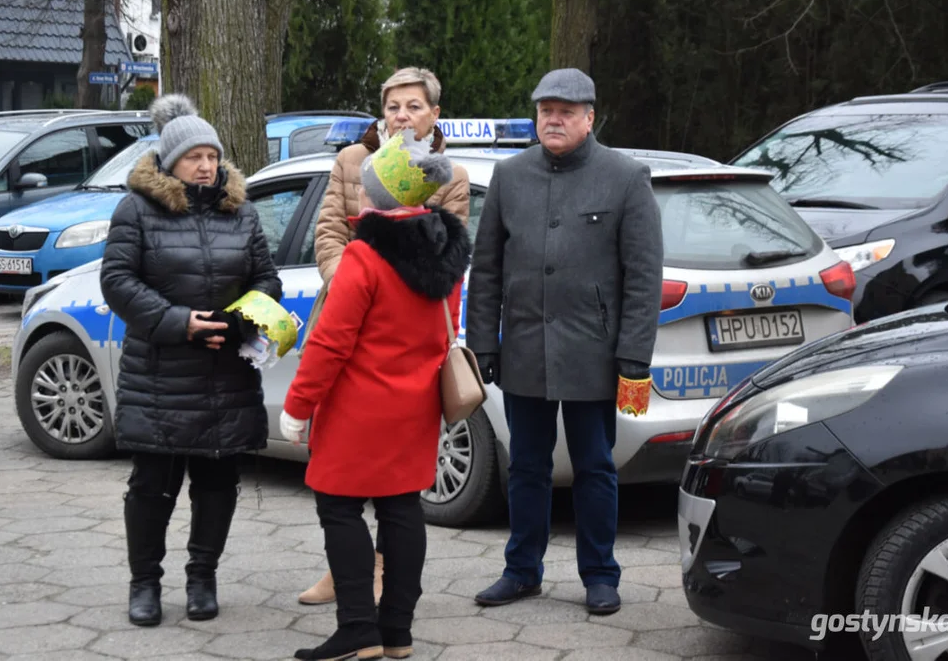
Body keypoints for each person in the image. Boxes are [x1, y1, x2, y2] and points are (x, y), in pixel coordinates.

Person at [465, 68, 663, 615]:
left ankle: (600, 574)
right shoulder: (509, 176)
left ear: (590, 118)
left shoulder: (625, 178)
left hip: (594, 358)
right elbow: (485, 269)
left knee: (595, 466)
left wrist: (632, 358)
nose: (554, 119)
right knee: (525, 467)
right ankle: (521, 570)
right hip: (524, 351)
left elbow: (644, 278)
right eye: (546, 110)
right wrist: (484, 340)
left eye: (567, 111)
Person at [280, 128, 470, 660]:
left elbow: (329, 344)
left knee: (339, 508)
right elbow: (442, 334)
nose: (359, 195)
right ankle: (398, 633)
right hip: (415, 410)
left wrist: (298, 407)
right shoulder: (441, 256)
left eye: (365, 188)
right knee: (402, 510)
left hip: (357, 412)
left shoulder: (364, 259)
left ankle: (358, 627)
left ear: (379, 196)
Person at [100, 93, 282, 628]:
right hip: (160, 376)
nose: (206, 165)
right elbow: (117, 280)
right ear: (169, 162)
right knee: (153, 486)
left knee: (218, 485)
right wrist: (180, 322)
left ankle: (203, 577)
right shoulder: (136, 209)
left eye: (212, 156)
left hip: (225, 373)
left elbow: (265, 279)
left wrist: (241, 320)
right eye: (194, 157)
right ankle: (145, 585)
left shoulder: (241, 212)